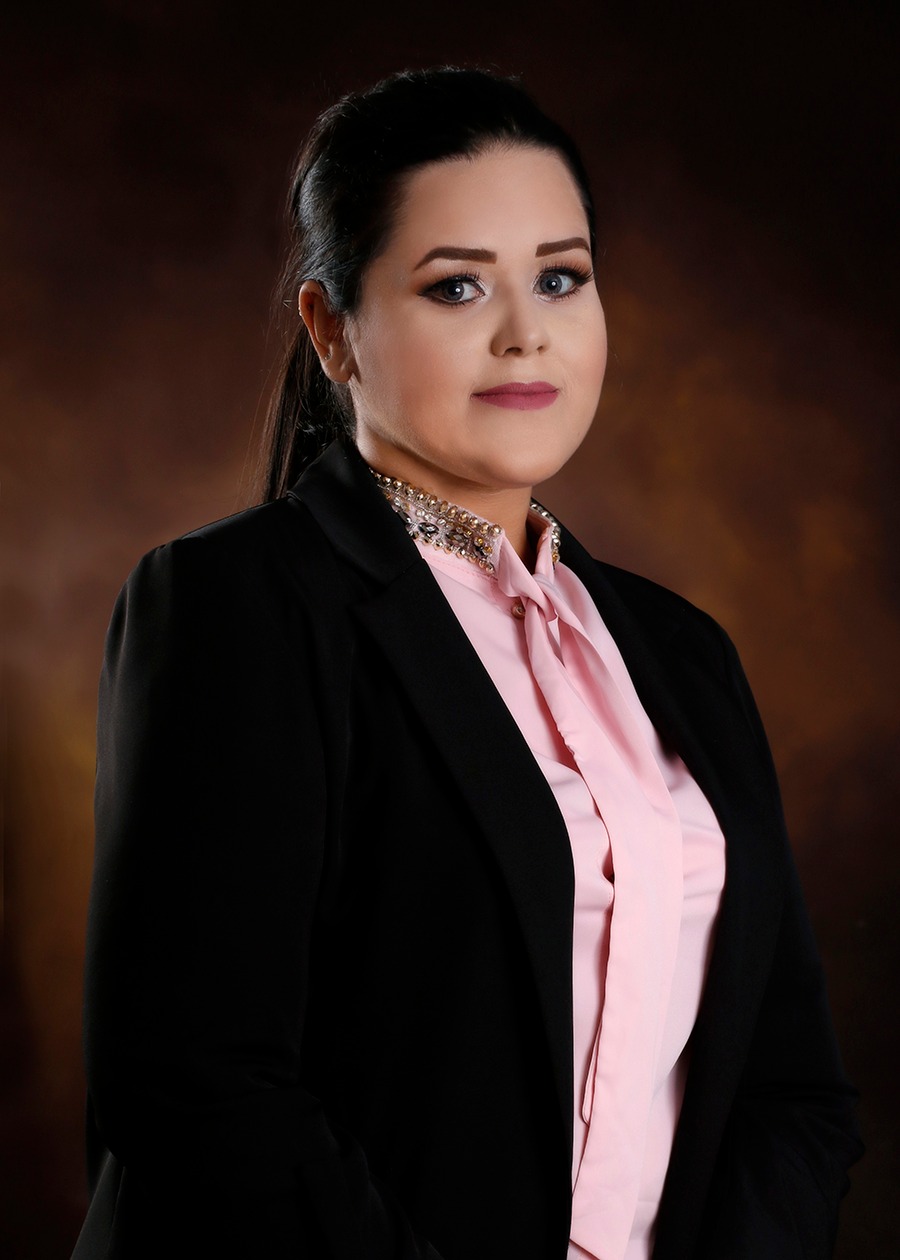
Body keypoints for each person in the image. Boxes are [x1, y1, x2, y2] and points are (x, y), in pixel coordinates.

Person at [73, 66, 862, 1260]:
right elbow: (197, 1086)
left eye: (561, 277)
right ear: (332, 331)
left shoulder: (683, 652)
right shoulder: (238, 605)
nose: (526, 332)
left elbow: (793, 1088)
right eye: (456, 287)